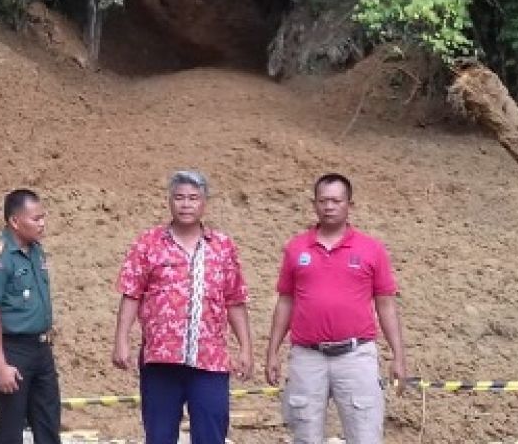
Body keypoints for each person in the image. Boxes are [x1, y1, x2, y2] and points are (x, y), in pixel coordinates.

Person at [265, 172, 408, 444]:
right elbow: (286, 301)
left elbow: (386, 304)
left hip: (356, 357)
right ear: (314, 204)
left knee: (365, 435)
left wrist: (398, 356)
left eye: (336, 201)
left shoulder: (371, 249)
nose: (329, 206)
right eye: (323, 201)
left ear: (349, 205)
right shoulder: (296, 248)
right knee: (305, 436)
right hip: (307, 358)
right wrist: (272, 351)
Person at [112, 169, 253, 444]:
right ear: (170, 201)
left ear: (204, 203)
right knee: (160, 435)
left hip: (210, 360)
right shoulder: (148, 243)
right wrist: (121, 341)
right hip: (161, 359)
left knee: (211, 434)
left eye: (193, 198)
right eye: (179, 198)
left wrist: (246, 348)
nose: (186, 204)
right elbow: (131, 294)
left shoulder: (222, 246)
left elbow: (235, 299)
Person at [0, 189, 61, 444]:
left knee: (48, 425)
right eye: (36, 219)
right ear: (15, 221)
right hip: (12, 350)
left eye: (43, 217)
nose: (42, 224)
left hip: (40, 348)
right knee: (11, 430)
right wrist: (0, 365)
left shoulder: (36, 251)